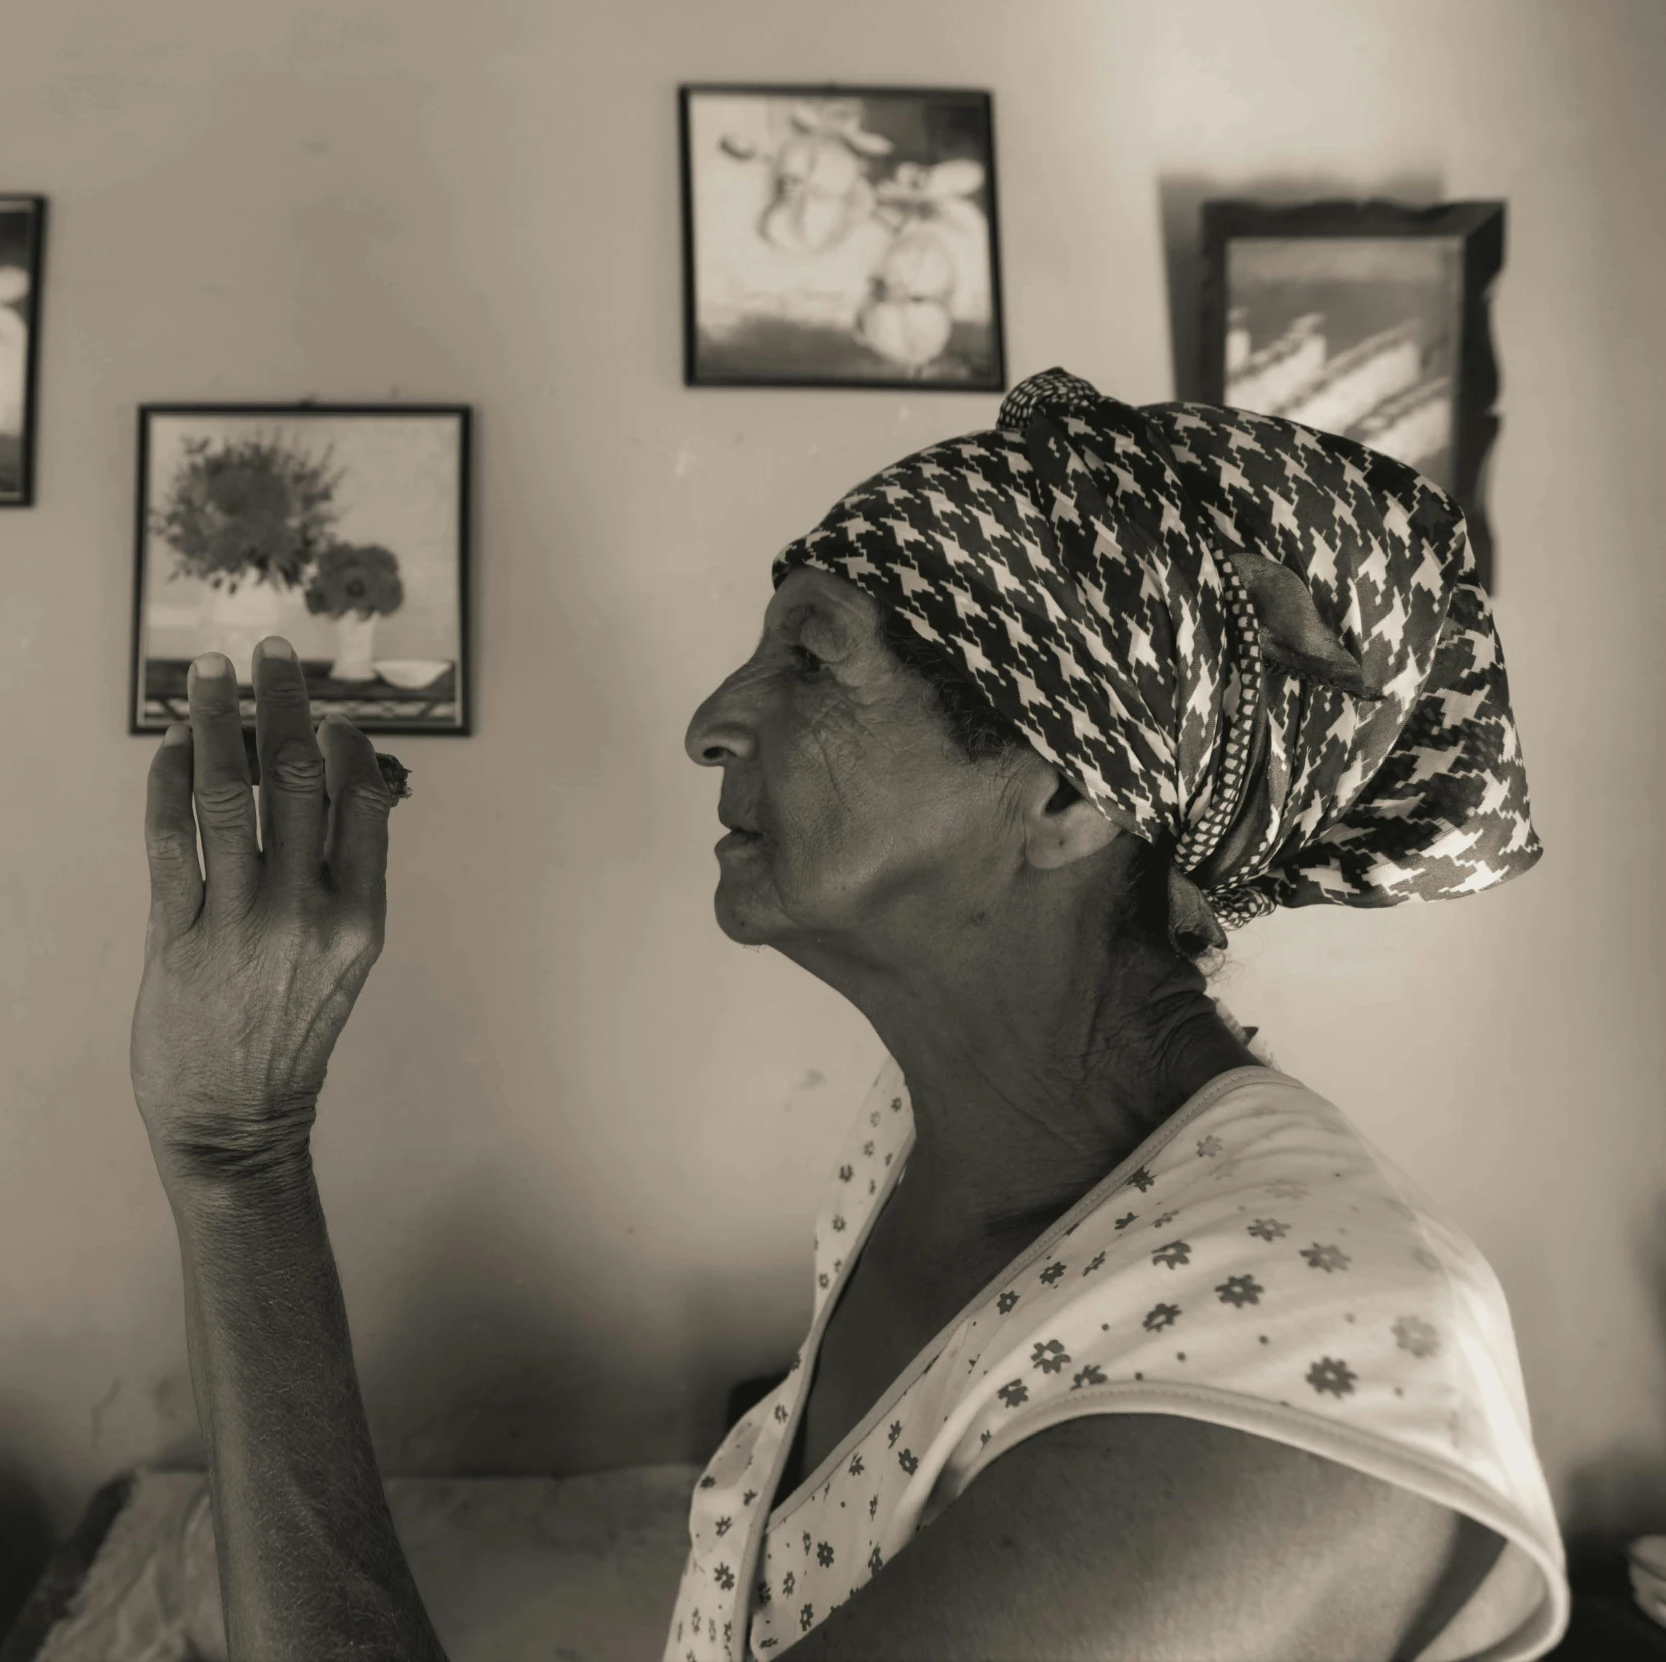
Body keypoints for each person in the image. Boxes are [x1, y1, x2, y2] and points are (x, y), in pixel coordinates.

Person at [127, 368, 1571, 1661]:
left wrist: (240, 1157)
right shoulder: (926, 1150)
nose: (710, 715)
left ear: (1068, 794)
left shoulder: (1310, 1355)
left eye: (811, 660)